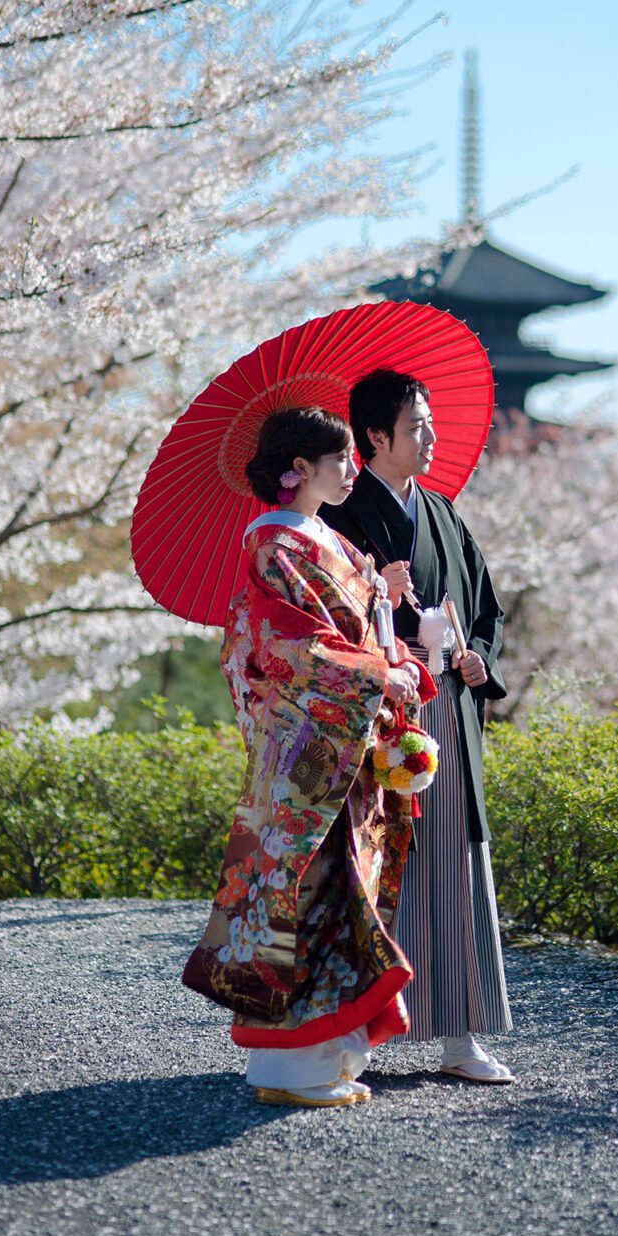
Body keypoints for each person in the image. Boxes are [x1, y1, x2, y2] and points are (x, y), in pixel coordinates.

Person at [182, 404, 434, 1108]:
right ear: (298, 469)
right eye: (340, 459)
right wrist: (383, 673)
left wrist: (386, 613)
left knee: (349, 888)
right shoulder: (274, 542)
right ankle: (290, 1069)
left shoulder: (328, 541)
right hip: (307, 755)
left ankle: (329, 1059)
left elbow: (356, 632)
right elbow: (292, 644)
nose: (353, 469)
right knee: (312, 893)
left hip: (341, 747)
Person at [321, 369, 514, 1083]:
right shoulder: (339, 517)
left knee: (456, 872)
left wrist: (475, 658)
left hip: (448, 715)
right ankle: (353, 1037)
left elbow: (484, 606)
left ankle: (461, 1035)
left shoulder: (441, 512)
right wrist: (380, 596)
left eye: (429, 423)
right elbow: (327, 623)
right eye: (416, 426)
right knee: (373, 868)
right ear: (375, 437)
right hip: (381, 714)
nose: (430, 436)